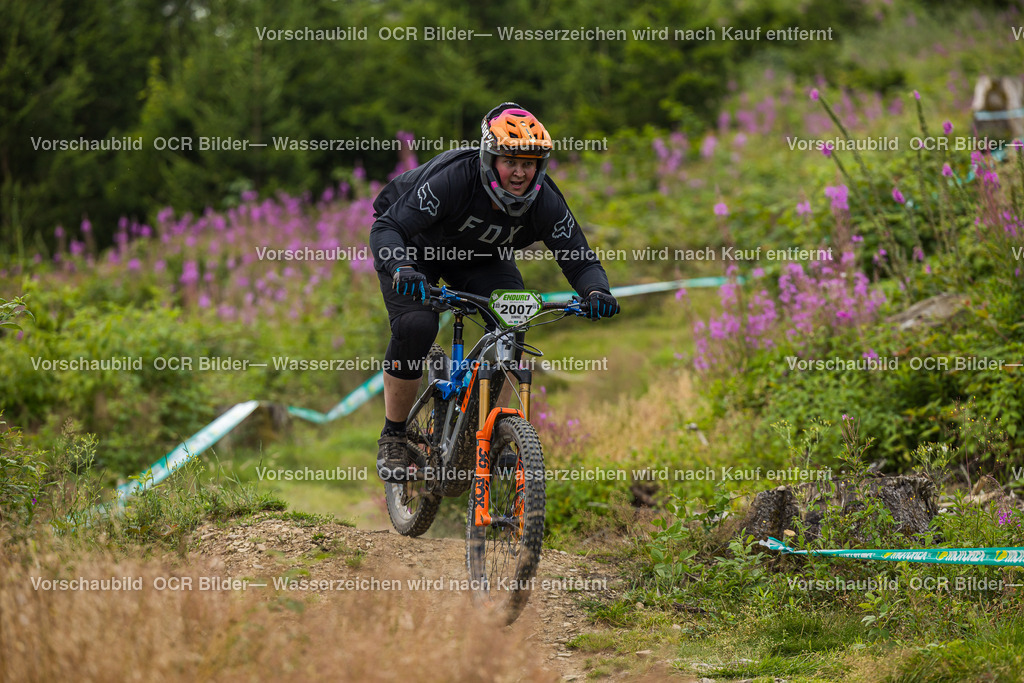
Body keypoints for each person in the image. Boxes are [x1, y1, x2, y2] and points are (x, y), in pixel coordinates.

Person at [369, 102, 620, 483]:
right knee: (417, 325)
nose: (520, 172)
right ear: (489, 158)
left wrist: (597, 291)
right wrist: (402, 268)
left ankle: (492, 432)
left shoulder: (544, 200)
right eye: (509, 161)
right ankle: (394, 434)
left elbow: (579, 259)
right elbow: (386, 229)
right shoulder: (455, 179)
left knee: (512, 321)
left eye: (529, 162)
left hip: (482, 259)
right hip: (415, 251)